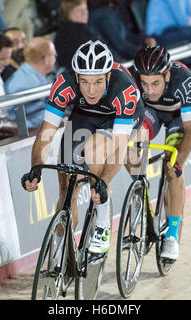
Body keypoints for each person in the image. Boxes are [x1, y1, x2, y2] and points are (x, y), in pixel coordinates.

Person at [22, 40, 144, 254]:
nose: (91, 90)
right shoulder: (63, 83)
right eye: (85, 82)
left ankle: (103, 221)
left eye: (98, 82)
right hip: (85, 115)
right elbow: (46, 132)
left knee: (96, 151)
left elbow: (119, 147)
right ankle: (61, 251)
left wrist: (104, 182)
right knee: (67, 185)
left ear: (108, 76)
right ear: (76, 77)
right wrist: (36, 168)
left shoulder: (124, 88)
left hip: (118, 117)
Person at [127, 45, 191, 261]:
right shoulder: (130, 78)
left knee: (172, 168)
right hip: (151, 114)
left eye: (156, 83)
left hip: (178, 119)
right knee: (130, 145)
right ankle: (141, 189)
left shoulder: (184, 81)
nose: (149, 90)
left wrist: (178, 165)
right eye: (145, 83)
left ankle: (172, 236)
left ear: (167, 75)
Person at [4, 36, 56, 131]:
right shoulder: (25, 84)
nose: (55, 59)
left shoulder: (31, 75)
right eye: (54, 55)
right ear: (46, 59)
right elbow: (14, 123)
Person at [88, 0, 157, 61]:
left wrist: (144, 40)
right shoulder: (103, 15)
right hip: (120, 64)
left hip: (124, 59)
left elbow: (126, 36)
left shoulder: (110, 10)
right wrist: (147, 51)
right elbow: (123, 49)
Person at [54, 0, 99, 71]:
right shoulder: (69, 34)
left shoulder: (84, 29)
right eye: (79, 11)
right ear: (68, 14)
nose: (85, 13)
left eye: (85, 9)